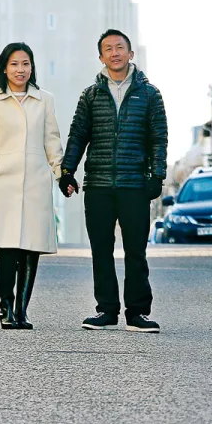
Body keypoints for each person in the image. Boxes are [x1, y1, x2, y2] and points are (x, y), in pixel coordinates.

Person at [60, 29, 167, 333]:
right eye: (108, 49)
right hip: (99, 185)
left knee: (136, 251)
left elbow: (159, 138)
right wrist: (67, 171)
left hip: (135, 184)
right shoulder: (91, 95)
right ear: (101, 57)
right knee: (101, 250)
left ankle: (138, 313)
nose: (115, 53)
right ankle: (106, 310)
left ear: (131, 54)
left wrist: (157, 175)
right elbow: (78, 134)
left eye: (120, 48)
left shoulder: (149, 94)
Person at [0, 42, 64, 330]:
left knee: (31, 247)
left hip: (36, 181)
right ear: (4, 67)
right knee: (9, 246)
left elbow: (52, 140)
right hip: (4, 182)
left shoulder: (44, 100)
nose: (20, 69)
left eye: (25, 63)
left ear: (32, 67)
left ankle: (22, 310)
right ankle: (6, 307)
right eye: (14, 64)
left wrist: (61, 174)